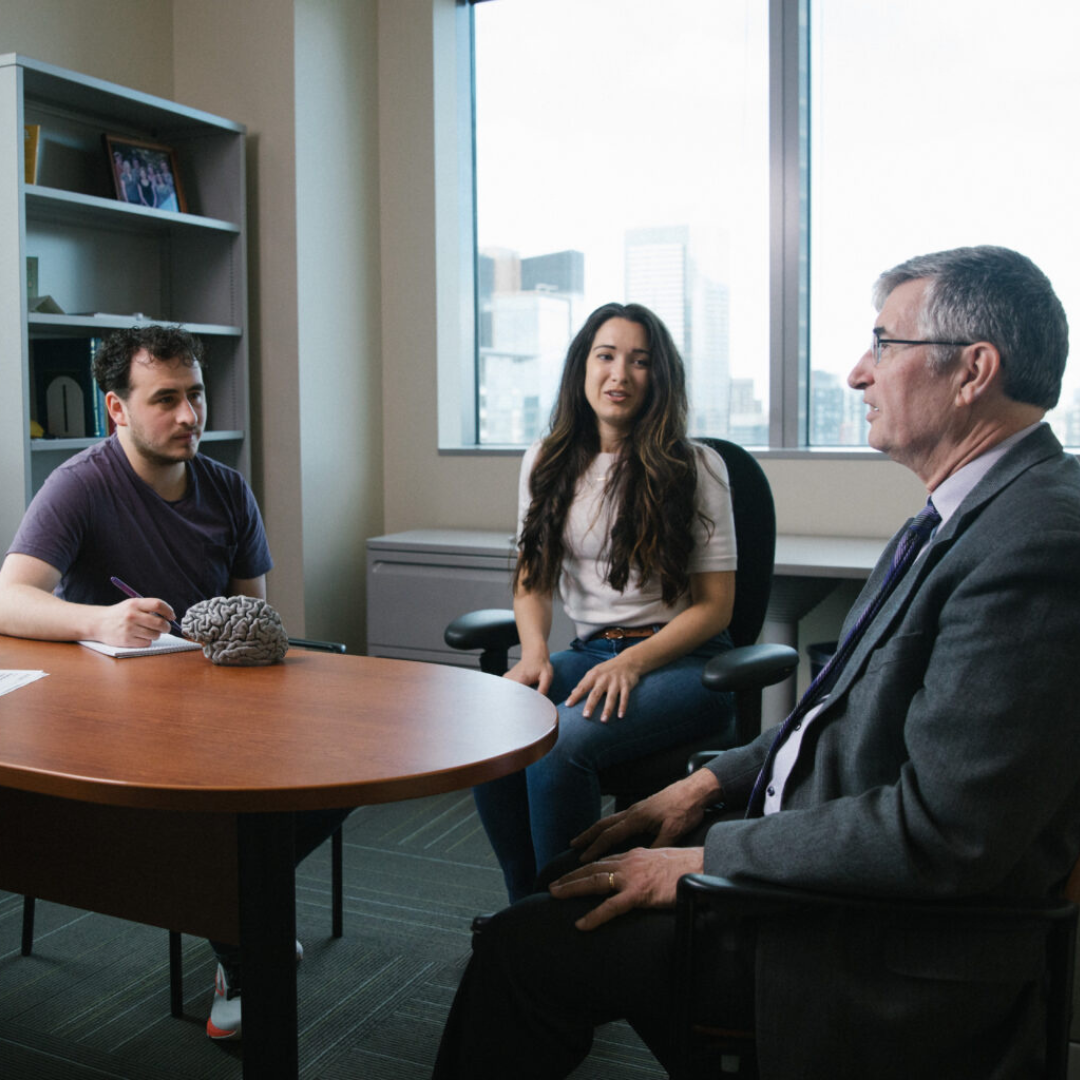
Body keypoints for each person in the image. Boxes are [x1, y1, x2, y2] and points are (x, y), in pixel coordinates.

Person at [432, 246, 1080, 1079]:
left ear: (973, 371)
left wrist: (704, 860)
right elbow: (834, 710)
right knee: (567, 879)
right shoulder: (963, 515)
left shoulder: (1036, 543)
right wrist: (703, 787)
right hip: (808, 858)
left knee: (524, 953)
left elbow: (946, 834)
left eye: (884, 345)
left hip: (863, 936)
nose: (857, 373)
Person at [0, 324, 347, 1043]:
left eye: (196, 396)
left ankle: (232, 914)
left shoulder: (226, 489)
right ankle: (243, 945)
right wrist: (98, 620)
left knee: (343, 774)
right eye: (166, 400)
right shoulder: (81, 485)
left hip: (224, 706)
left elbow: (255, 612)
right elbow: (9, 597)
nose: (190, 416)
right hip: (120, 718)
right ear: (117, 409)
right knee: (223, 810)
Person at [474, 301, 738, 903]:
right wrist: (536, 651)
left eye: (639, 361)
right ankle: (526, 912)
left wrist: (633, 662)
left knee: (559, 740)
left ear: (658, 377)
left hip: (687, 666)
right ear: (582, 368)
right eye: (606, 356)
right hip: (591, 653)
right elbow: (533, 577)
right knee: (490, 724)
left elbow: (715, 608)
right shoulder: (546, 460)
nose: (620, 373)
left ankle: (569, 913)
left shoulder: (697, 467)